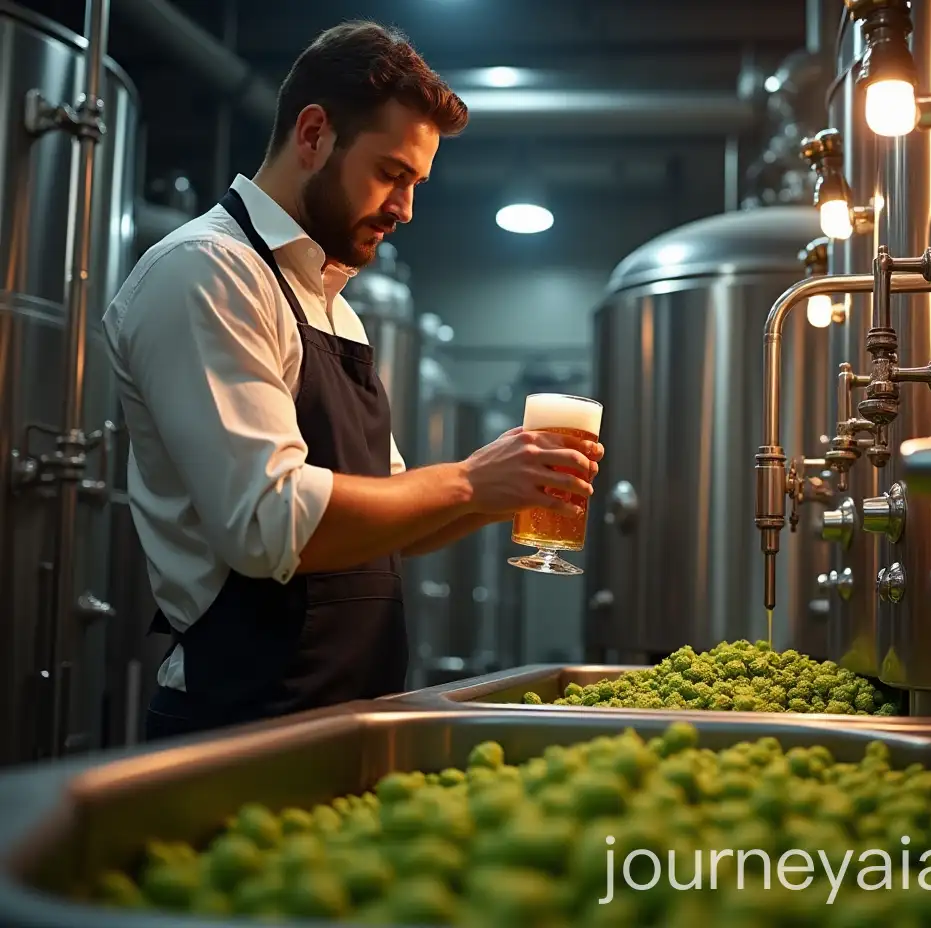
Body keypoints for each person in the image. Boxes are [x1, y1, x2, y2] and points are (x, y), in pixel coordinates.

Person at [103, 21, 602, 742]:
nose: (405, 209)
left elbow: (394, 511)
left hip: (346, 714)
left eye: (417, 184)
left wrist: (511, 486)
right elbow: (268, 523)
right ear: (313, 134)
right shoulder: (207, 272)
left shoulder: (334, 307)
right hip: (240, 724)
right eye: (392, 173)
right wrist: (469, 481)